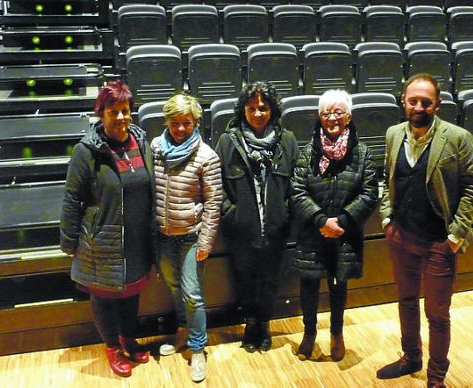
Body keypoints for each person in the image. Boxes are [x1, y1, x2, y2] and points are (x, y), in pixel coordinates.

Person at [375, 74, 473, 388]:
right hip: (402, 236)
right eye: (413, 100)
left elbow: (471, 189)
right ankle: (411, 358)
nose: (418, 106)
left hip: (438, 242)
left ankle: (436, 378)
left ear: (438, 104)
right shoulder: (394, 134)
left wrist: (455, 236)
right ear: (403, 100)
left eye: (426, 102)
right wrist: (386, 220)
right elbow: (387, 179)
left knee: (437, 313)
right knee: (406, 301)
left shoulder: (458, 137)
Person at [60, 80, 152, 377]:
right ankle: (112, 348)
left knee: (131, 292)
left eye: (125, 110)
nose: (122, 117)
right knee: (105, 297)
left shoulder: (141, 141)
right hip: (104, 238)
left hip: (137, 237)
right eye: (114, 111)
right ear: (101, 114)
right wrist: (69, 240)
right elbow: (72, 198)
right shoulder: (86, 151)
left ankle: (129, 339)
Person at [290, 89, 378, 362]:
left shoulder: (362, 154)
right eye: (327, 113)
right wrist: (320, 220)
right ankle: (309, 333)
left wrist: (341, 221)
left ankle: (337, 334)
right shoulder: (307, 153)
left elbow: (370, 193)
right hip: (312, 233)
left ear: (349, 117)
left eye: (338, 112)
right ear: (319, 116)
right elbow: (297, 191)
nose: (332, 118)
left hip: (344, 234)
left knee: (339, 286)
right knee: (309, 286)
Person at [214, 81, 299, 353]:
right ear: (243, 111)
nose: (258, 113)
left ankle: (264, 324)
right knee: (245, 278)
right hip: (241, 230)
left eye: (263, 107)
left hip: (276, 228)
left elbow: (296, 183)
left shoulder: (287, 141)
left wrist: (285, 213)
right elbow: (216, 186)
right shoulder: (228, 142)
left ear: (272, 110)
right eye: (252, 108)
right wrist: (233, 215)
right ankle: (250, 324)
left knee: (270, 280)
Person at [151, 94, 222, 383]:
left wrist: (205, 242)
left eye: (187, 123)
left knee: (192, 294)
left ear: (195, 123)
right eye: (175, 123)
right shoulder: (155, 148)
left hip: (192, 237)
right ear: (166, 121)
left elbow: (214, 202)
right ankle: (181, 330)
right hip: (163, 236)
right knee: (173, 285)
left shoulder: (207, 156)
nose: (181, 129)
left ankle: (198, 348)